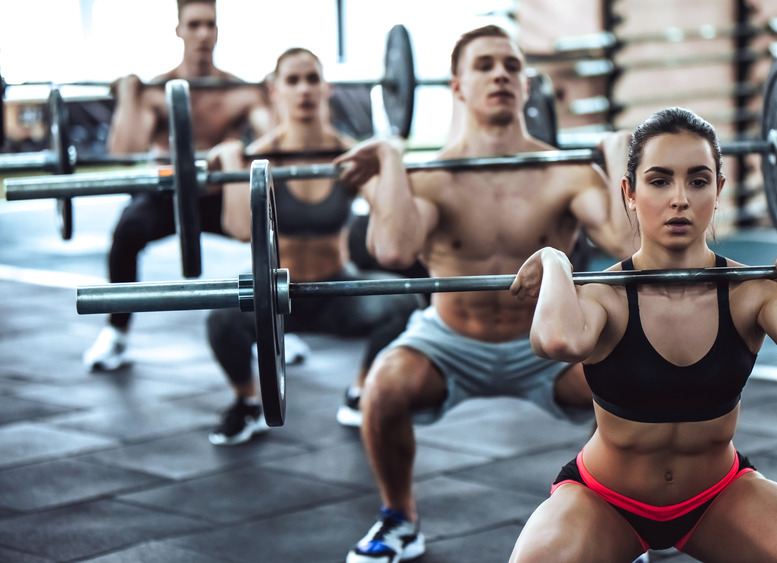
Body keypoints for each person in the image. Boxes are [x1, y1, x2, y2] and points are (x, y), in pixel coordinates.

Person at [506, 107, 777, 562]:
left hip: (716, 495)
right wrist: (556, 261)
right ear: (629, 192)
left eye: (697, 181)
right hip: (605, 500)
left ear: (718, 191)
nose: (680, 198)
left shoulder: (746, 291)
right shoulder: (606, 296)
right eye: (659, 181)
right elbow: (557, 342)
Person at [332, 25, 637, 563]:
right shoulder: (430, 176)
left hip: (546, 345)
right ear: (457, 87)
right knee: (383, 389)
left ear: (526, 85)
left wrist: (618, 160)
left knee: (634, 386)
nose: (501, 74)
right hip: (450, 339)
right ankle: (399, 519)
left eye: (512, 66)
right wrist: (393, 159)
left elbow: (626, 244)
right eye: (485, 66)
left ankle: (620, 518)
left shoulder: (564, 170)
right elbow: (395, 250)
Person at [202, 48, 423, 446]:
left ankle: (360, 392)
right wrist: (236, 164)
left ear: (327, 88)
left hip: (333, 290)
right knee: (221, 319)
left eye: (312, 79)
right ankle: (247, 401)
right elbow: (238, 229)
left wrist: (389, 161)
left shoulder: (349, 155)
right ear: (275, 91)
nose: (304, 89)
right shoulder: (257, 158)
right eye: (293, 80)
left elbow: (393, 226)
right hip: (275, 297)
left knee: (402, 302)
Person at [83, 0, 273, 371]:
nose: (203, 33)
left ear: (218, 31)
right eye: (195, 24)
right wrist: (127, 96)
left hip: (219, 198)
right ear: (179, 29)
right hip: (167, 197)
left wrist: (277, 96)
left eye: (210, 25)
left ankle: (282, 321)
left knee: (275, 233)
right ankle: (117, 333)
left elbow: (276, 140)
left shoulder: (241, 91)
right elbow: (124, 150)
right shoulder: (155, 91)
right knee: (126, 234)